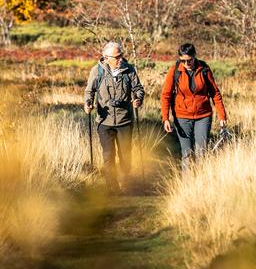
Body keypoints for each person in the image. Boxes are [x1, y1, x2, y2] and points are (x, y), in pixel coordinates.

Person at [84, 41, 144, 193]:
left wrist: (138, 99)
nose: (120, 59)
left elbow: (138, 88)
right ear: (106, 57)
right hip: (104, 121)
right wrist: (88, 104)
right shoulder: (97, 71)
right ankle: (112, 187)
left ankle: (126, 184)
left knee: (125, 156)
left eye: (121, 56)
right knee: (108, 156)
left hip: (125, 120)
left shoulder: (129, 70)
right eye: (116, 57)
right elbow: (89, 91)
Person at [160, 43, 228, 171]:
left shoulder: (204, 69)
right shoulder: (174, 71)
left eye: (189, 60)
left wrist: (222, 115)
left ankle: (200, 182)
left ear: (194, 56)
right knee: (187, 153)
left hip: (203, 116)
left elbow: (215, 93)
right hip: (181, 117)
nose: (186, 63)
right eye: (183, 61)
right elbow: (166, 95)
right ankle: (187, 183)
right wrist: (165, 118)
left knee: (201, 151)